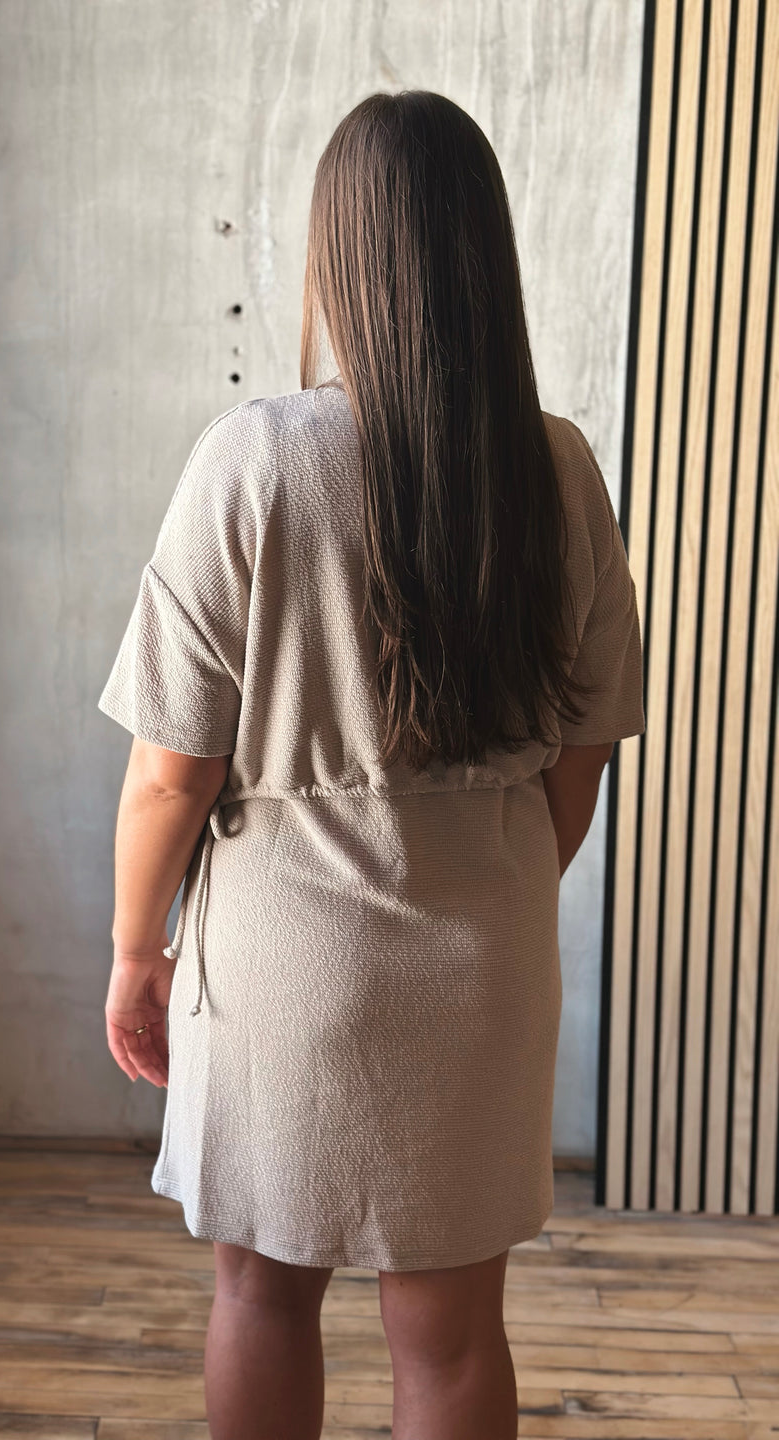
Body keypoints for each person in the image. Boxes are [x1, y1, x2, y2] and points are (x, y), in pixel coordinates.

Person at [96, 89, 645, 1440]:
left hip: (285, 957)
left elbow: (172, 771)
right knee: (453, 1336)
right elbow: (584, 751)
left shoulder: (254, 465)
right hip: (486, 953)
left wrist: (134, 949)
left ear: (339, 257)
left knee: (261, 1295)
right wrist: (497, 876)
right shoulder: (562, 469)